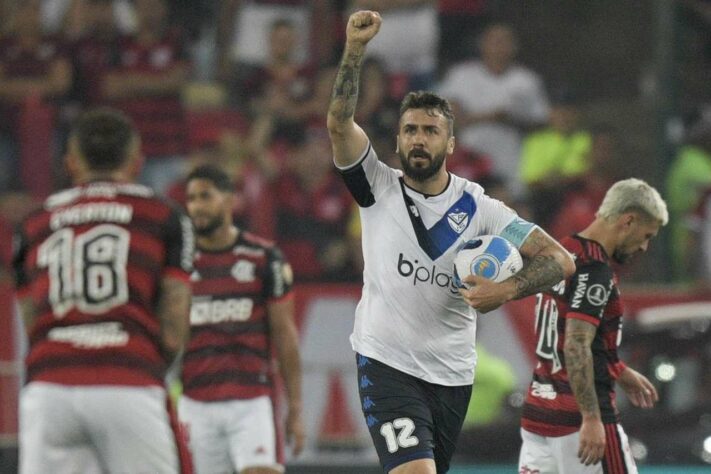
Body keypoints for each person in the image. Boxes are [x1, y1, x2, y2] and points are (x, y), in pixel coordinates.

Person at [326, 11, 576, 474]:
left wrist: (505, 290)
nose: (419, 140)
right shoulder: (377, 186)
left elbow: (559, 260)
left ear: (451, 143)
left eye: (430, 130)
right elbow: (340, 124)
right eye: (410, 131)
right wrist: (355, 51)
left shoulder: (483, 209)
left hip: (452, 374)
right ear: (398, 140)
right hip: (386, 364)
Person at [12, 107, 194, 473]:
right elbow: (174, 329)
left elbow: (31, 322)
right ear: (135, 161)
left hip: (49, 388)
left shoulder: (33, 223)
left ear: (71, 163)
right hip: (128, 379)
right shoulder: (162, 216)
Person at [519, 178, 667, 474]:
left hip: (539, 416)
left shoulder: (561, 252)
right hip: (579, 422)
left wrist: (617, 368)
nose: (645, 246)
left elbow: (562, 331)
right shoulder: (595, 270)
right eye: (646, 235)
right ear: (628, 220)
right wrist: (590, 417)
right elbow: (575, 344)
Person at [180, 164, 305, 474]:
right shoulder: (178, 262)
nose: (196, 206)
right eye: (191, 198)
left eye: (205, 196)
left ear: (230, 200)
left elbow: (285, 336)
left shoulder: (264, 258)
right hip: (195, 402)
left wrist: (296, 409)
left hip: (251, 401)